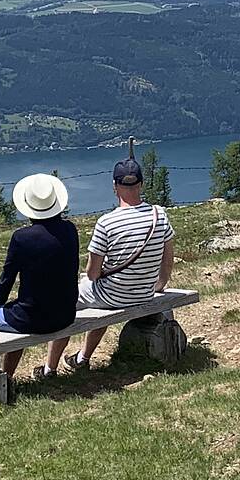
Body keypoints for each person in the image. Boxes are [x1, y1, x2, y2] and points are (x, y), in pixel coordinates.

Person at [68, 157, 175, 369]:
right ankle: (82, 357)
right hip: (144, 293)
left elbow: (92, 274)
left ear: (115, 187)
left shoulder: (106, 223)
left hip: (114, 295)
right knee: (102, 293)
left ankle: (51, 367)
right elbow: (168, 259)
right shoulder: (159, 215)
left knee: (66, 300)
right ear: (141, 184)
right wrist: (159, 285)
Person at [0, 173, 78, 380]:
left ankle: (5, 378)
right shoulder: (70, 230)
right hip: (65, 315)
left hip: (31, 318)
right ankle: (45, 370)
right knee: (16, 313)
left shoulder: (22, 238)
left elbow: (7, 278)